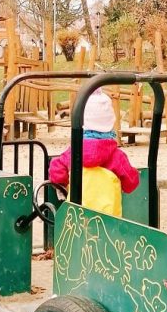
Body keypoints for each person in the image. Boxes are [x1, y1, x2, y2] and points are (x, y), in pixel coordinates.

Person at [49, 88, 139, 216]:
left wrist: (65, 183)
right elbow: (131, 183)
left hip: (76, 218)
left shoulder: (74, 153)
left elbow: (56, 170)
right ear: (110, 123)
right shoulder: (117, 156)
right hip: (109, 220)